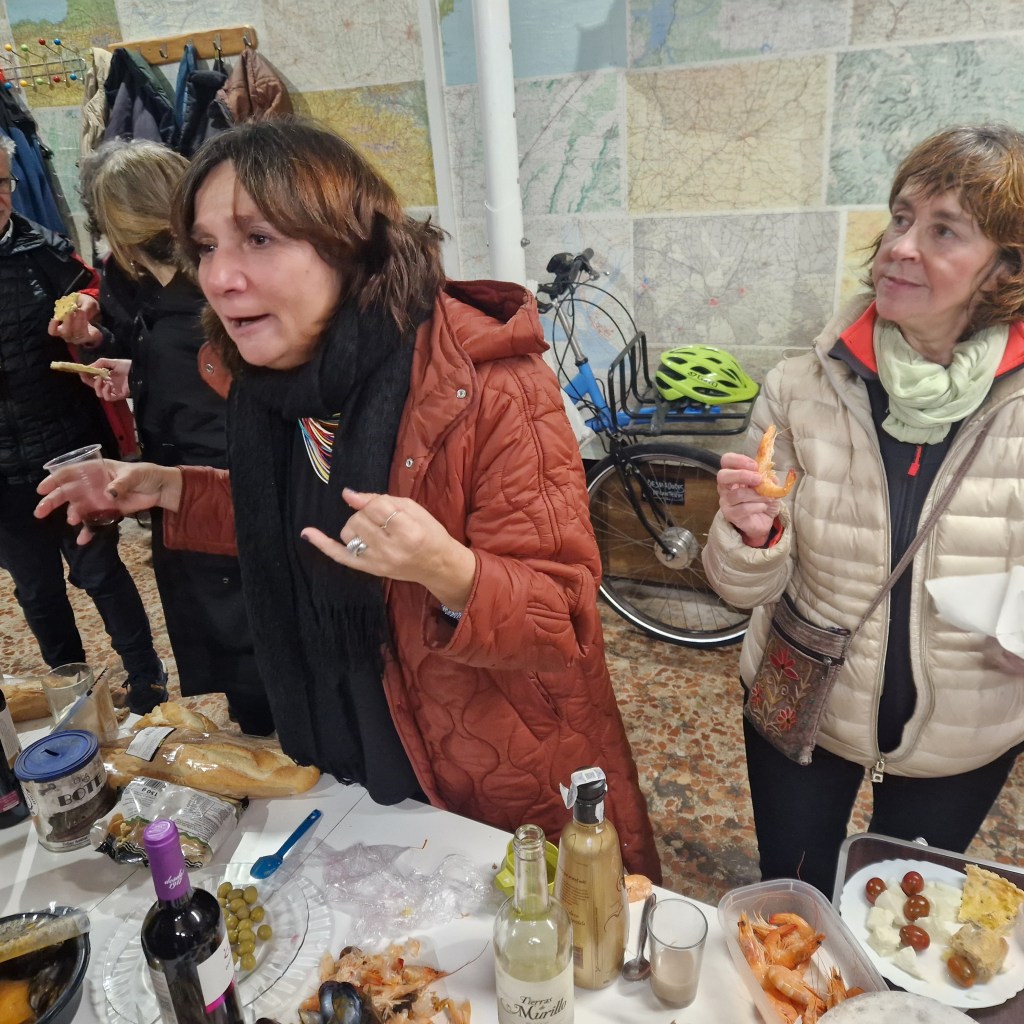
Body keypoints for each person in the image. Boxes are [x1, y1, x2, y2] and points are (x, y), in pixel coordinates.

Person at [37, 119, 661, 878]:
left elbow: (562, 615)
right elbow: (306, 521)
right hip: (338, 731)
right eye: (205, 246)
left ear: (348, 244)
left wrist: (448, 570)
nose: (221, 277)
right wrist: (170, 488)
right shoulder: (268, 381)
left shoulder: (486, 383)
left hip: (480, 755)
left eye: (258, 238)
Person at [702, 124, 1024, 894]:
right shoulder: (801, 387)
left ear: (1006, 267)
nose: (900, 247)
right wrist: (751, 536)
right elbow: (740, 588)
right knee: (791, 897)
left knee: (902, 916)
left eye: (944, 230)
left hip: (962, 734)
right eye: (901, 218)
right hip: (802, 705)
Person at [77, 139, 273, 736]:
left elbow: (226, 422)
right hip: (201, 503)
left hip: (219, 510)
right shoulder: (182, 294)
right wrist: (138, 374)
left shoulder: (197, 308)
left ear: (119, 228)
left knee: (254, 665)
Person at [0, 134, 167, 713]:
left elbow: (105, 322)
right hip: (2, 475)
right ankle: (75, 696)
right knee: (36, 589)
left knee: (99, 570)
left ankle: (147, 682)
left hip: (68, 449)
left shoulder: (44, 253)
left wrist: (89, 328)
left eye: (3, 182)